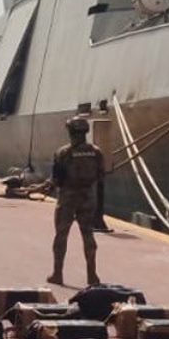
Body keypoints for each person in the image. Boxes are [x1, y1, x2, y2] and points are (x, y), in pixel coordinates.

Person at [49, 115, 105, 286]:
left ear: (71, 132)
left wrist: (48, 186)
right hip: (88, 197)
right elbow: (101, 176)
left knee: (61, 235)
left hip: (67, 198)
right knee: (88, 235)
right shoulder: (96, 152)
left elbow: (56, 179)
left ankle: (57, 274)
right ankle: (92, 275)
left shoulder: (63, 153)